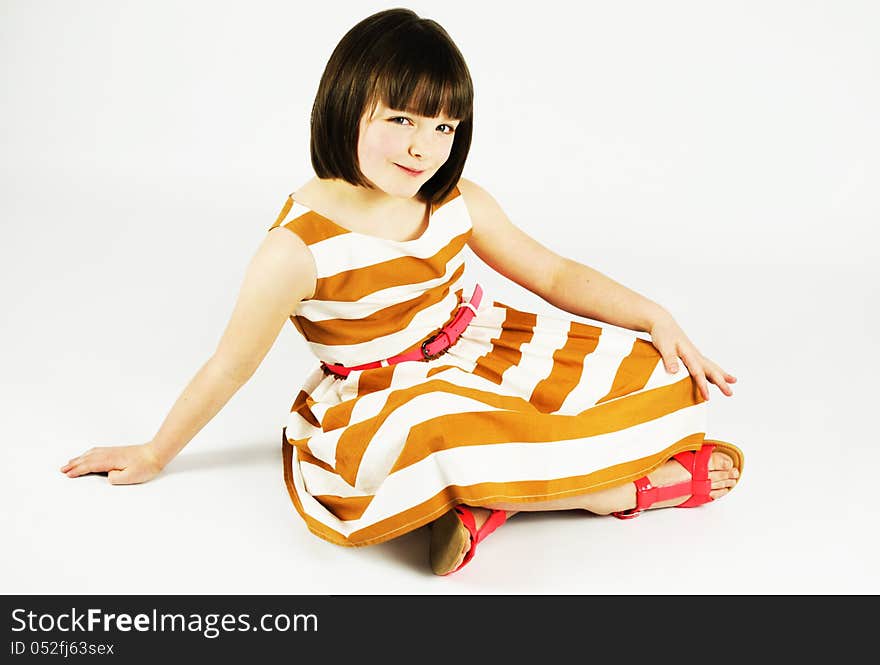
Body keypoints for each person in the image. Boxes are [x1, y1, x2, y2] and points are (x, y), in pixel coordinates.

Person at [60, 8, 743, 576]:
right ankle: (618, 491)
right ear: (346, 106)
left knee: (654, 367)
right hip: (386, 393)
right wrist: (155, 451)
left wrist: (656, 315)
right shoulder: (296, 249)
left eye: (444, 127)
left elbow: (555, 274)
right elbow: (228, 365)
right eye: (402, 121)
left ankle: (486, 501)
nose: (424, 149)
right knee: (440, 429)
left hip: (482, 347)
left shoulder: (455, 200)